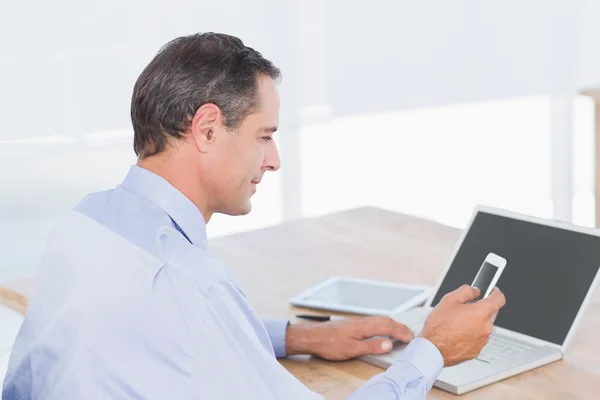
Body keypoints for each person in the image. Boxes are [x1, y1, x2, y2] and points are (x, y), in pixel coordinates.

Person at [2, 33, 505, 399]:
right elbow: (188, 315)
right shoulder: (192, 283)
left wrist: (299, 337)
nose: (274, 159)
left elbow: (162, 335)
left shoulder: (89, 222)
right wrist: (434, 349)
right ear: (206, 128)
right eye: (264, 135)